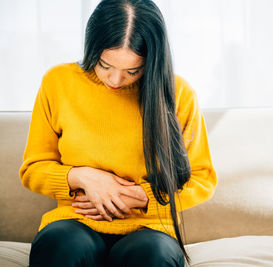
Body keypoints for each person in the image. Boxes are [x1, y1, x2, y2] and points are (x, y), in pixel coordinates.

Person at [19, 0, 217, 266]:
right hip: (76, 223)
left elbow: (202, 179)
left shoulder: (179, 93)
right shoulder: (58, 83)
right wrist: (83, 177)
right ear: (92, 49)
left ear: (152, 61)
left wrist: (144, 197)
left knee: (151, 256)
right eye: (105, 65)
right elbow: (32, 169)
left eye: (132, 71)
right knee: (61, 247)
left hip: (150, 231)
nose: (114, 81)